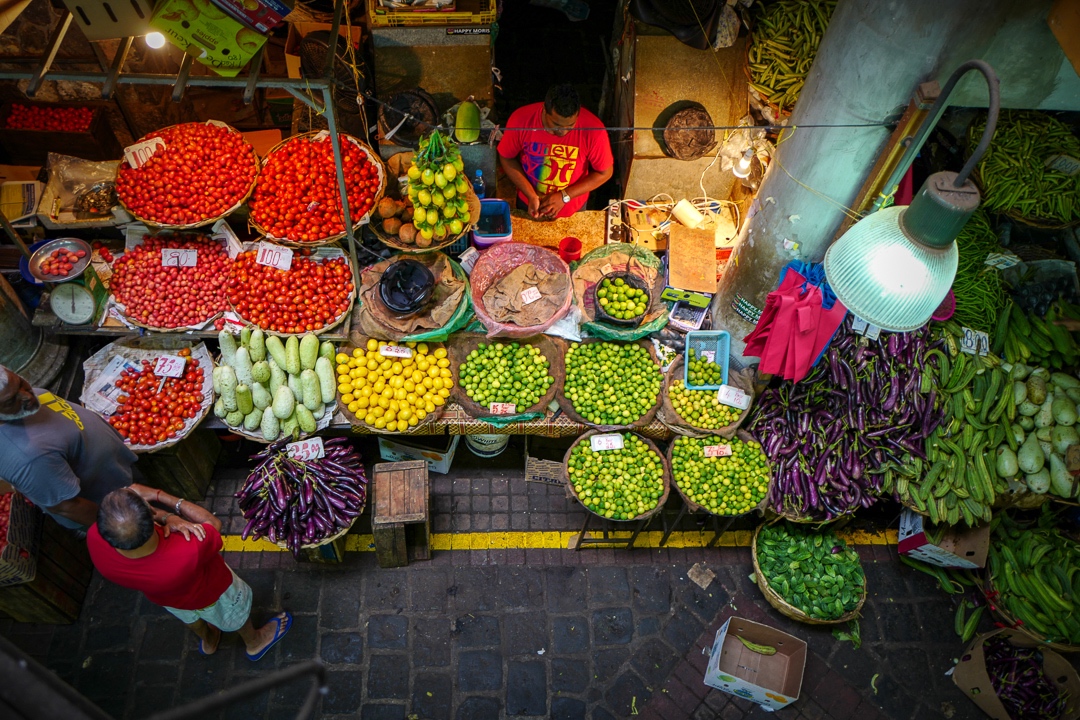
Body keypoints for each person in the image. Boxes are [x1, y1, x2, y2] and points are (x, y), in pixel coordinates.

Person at [87, 486, 292, 661]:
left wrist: (166, 519)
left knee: (191, 618)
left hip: (169, 600)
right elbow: (213, 524)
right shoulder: (187, 550)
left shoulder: (95, 538)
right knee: (235, 615)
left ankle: (210, 640)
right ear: (151, 512)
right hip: (214, 593)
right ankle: (255, 642)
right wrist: (161, 497)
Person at [0, 365, 144, 530]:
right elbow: (67, 507)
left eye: (20, 383)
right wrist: (123, 527)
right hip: (115, 504)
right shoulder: (27, 458)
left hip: (120, 472)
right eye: (11, 401)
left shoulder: (29, 401)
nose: (26, 395)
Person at [498, 84, 614, 220]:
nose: (563, 132)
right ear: (544, 110)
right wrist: (530, 194)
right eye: (556, 125)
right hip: (528, 203)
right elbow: (506, 157)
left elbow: (605, 172)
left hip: (573, 210)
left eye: (570, 126)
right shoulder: (521, 119)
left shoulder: (594, 130)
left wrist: (565, 196)